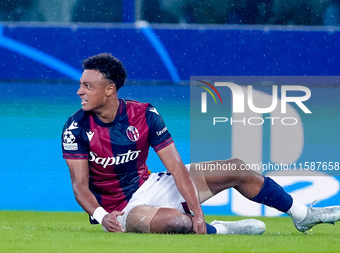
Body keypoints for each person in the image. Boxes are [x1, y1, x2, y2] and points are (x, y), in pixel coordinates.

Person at [62, 53, 340, 235]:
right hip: (121, 210)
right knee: (176, 223)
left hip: (152, 185)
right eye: (81, 85)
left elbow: (177, 167)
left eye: (87, 85)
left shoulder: (144, 114)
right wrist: (101, 217)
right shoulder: (76, 128)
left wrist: (197, 212)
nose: (79, 91)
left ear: (110, 89)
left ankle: (303, 214)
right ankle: (221, 230)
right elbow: (79, 186)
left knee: (239, 168)